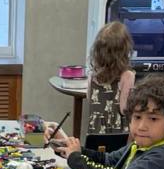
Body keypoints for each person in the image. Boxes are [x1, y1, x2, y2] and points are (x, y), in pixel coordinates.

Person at [50, 21, 135, 155]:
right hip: (118, 137)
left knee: (94, 161)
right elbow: (124, 109)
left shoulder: (93, 76)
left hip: (95, 134)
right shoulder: (127, 75)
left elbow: (90, 99)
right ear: (125, 50)